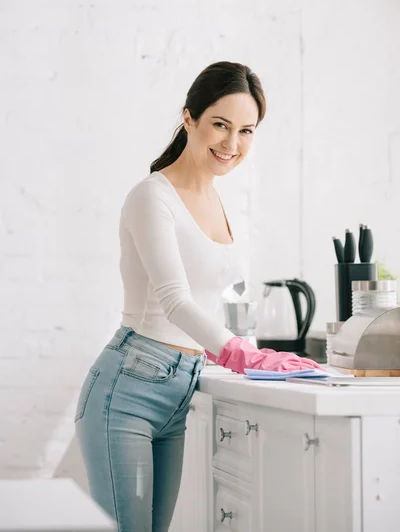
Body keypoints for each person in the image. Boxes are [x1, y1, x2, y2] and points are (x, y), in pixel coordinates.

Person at [74, 61, 323, 532]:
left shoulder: (218, 201)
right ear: (189, 118)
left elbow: (213, 297)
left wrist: (236, 351)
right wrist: (240, 353)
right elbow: (173, 299)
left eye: (246, 130)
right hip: (129, 387)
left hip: (181, 385)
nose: (232, 144)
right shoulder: (153, 197)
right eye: (220, 125)